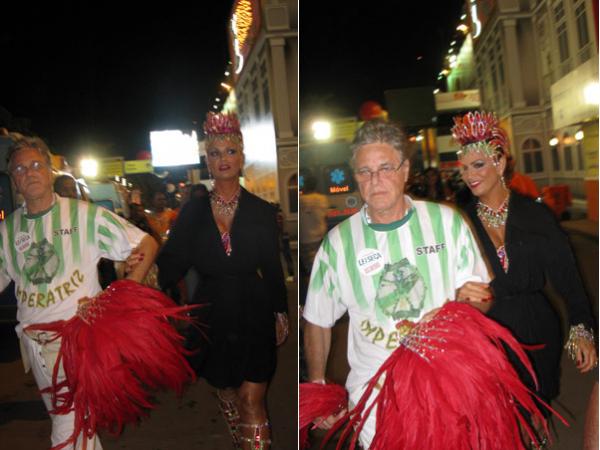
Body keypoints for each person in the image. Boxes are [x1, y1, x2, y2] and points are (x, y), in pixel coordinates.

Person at [302, 119, 492, 449]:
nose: (375, 180)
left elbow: (482, 298)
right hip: (375, 396)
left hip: (446, 385)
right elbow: (318, 319)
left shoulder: (446, 223)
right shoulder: (338, 243)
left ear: (404, 170)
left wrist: (459, 311)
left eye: (385, 167)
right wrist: (318, 383)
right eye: (365, 172)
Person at [0, 138, 158, 449]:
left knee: (67, 432)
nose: (29, 173)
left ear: (48, 171)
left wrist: (122, 294)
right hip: (34, 348)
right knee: (79, 429)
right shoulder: (7, 231)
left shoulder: (83, 216)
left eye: (35, 165)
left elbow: (146, 244)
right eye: (20, 168)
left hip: (77, 343)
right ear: (13, 179)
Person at [452, 111, 597, 443]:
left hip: (537, 328)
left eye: (478, 165)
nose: (469, 176)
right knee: (499, 419)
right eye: (464, 168)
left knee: (534, 415)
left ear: (500, 164)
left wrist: (582, 329)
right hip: (488, 335)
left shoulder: (536, 215)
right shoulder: (460, 223)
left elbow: (568, 279)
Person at [156, 112, 288, 450]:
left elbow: (272, 266)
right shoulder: (192, 213)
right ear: (207, 161)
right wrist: (142, 281)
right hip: (212, 312)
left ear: (242, 157)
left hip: (254, 308)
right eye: (215, 154)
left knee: (251, 398)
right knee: (227, 392)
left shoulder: (261, 210)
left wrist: (280, 311)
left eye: (230, 151)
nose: (223, 160)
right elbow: (172, 261)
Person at [298, 173, 328, 277]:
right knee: (322, 264)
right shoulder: (322, 199)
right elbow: (325, 217)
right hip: (320, 238)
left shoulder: (300, 200)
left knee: (310, 270)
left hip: (305, 239)